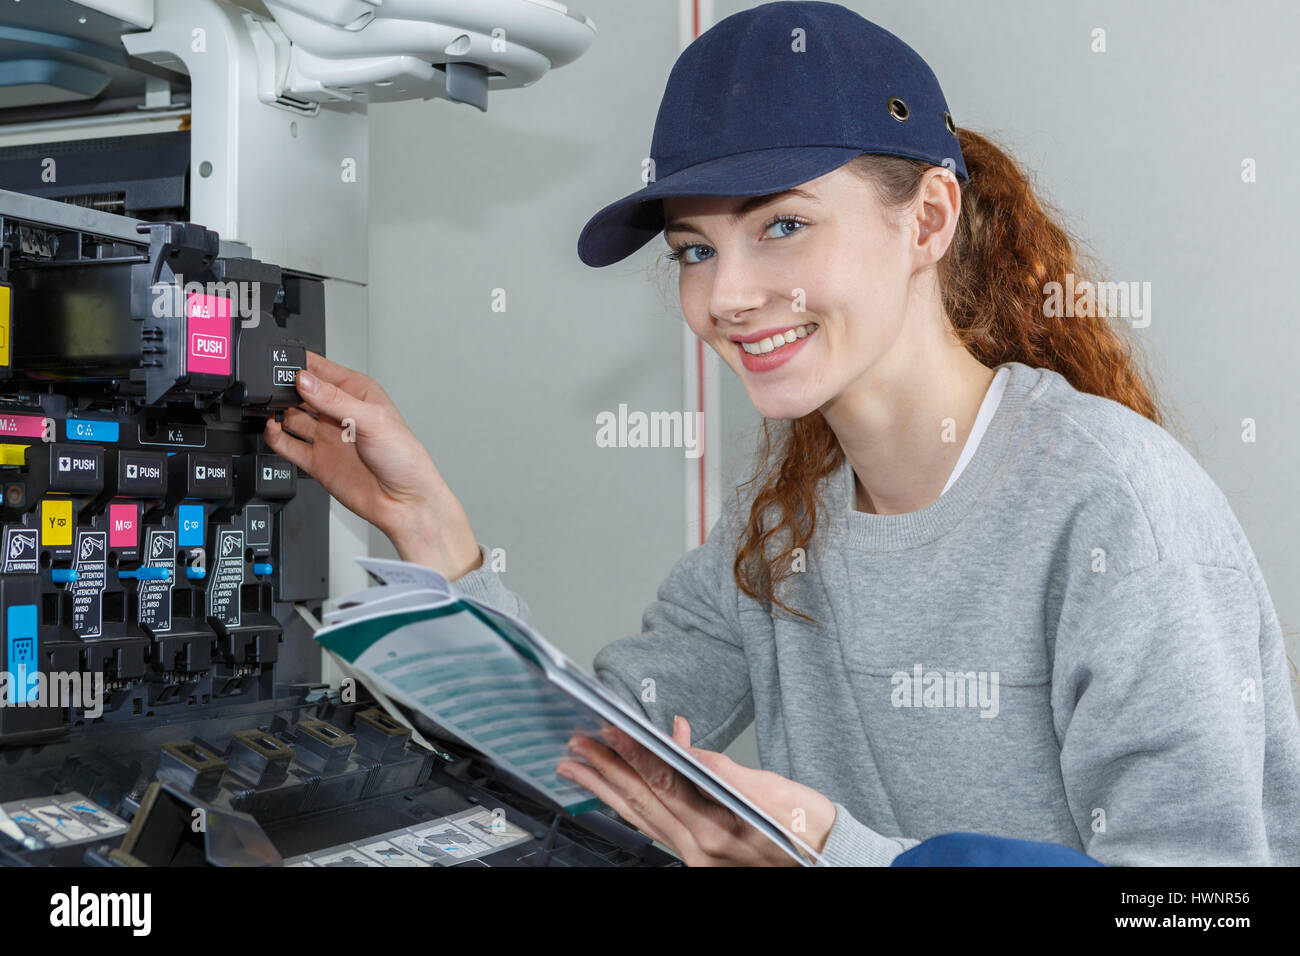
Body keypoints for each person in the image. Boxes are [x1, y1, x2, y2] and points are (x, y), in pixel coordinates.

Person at [263, 2, 1300, 866]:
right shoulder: (779, 528)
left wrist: (834, 852)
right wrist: (436, 536)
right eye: (693, 250)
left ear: (928, 220)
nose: (730, 294)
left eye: (783, 225)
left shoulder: (1117, 505)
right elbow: (580, 766)